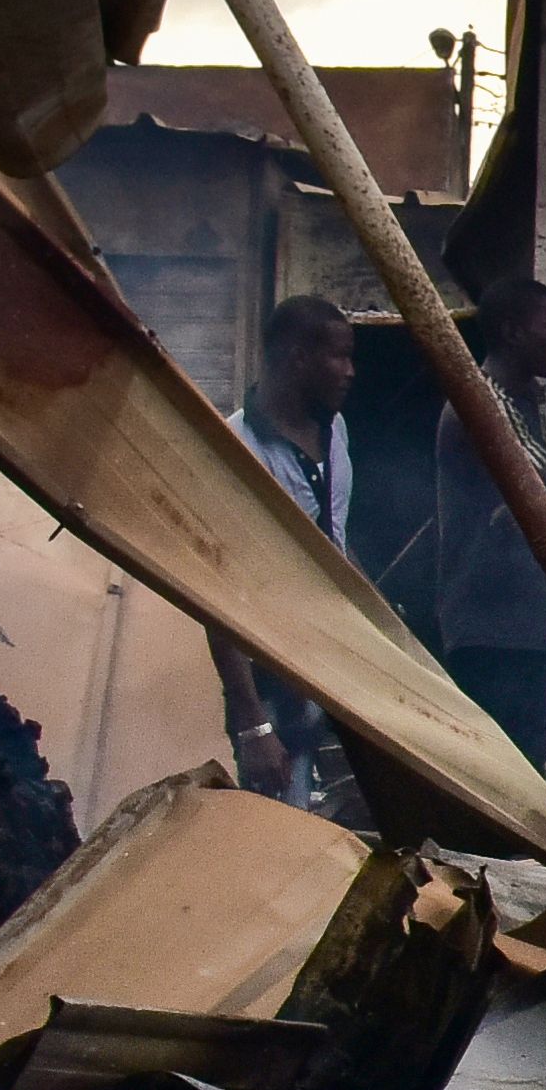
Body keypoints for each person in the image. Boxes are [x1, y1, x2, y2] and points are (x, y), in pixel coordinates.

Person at [223, 292, 367, 815]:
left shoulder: (336, 430)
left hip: (334, 669)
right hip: (274, 683)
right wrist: (252, 724)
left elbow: (335, 542)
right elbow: (220, 593)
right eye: (339, 356)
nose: (350, 372)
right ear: (297, 358)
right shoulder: (240, 446)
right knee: (279, 832)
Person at [426, 275, 546, 771]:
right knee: (501, 789)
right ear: (512, 332)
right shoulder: (483, 406)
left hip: (525, 632)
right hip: (491, 635)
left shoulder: (530, 404)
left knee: (523, 782)